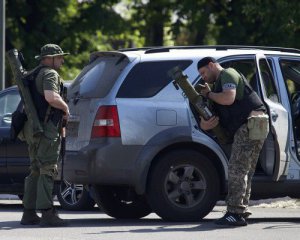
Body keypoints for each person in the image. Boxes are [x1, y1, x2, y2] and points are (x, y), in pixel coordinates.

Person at [197, 57, 269, 227]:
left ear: (211, 65)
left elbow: (229, 98)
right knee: (245, 170)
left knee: (237, 169)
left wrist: (208, 94)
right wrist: (206, 123)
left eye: (203, 72)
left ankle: (235, 213)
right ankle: (240, 211)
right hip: (251, 126)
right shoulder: (216, 86)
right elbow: (211, 114)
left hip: (249, 125)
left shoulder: (227, 74)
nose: (203, 77)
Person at [20, 44, 70, 227]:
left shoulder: (32, 74)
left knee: (35, 169)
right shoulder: (50, 74)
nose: (62, 61)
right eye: (59, 57)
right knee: (47, 169)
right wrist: (65, 108)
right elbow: (51, 97)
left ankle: (29, 213)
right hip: (46, 129)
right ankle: (48, 213)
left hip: (31, 129)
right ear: (50, 58)